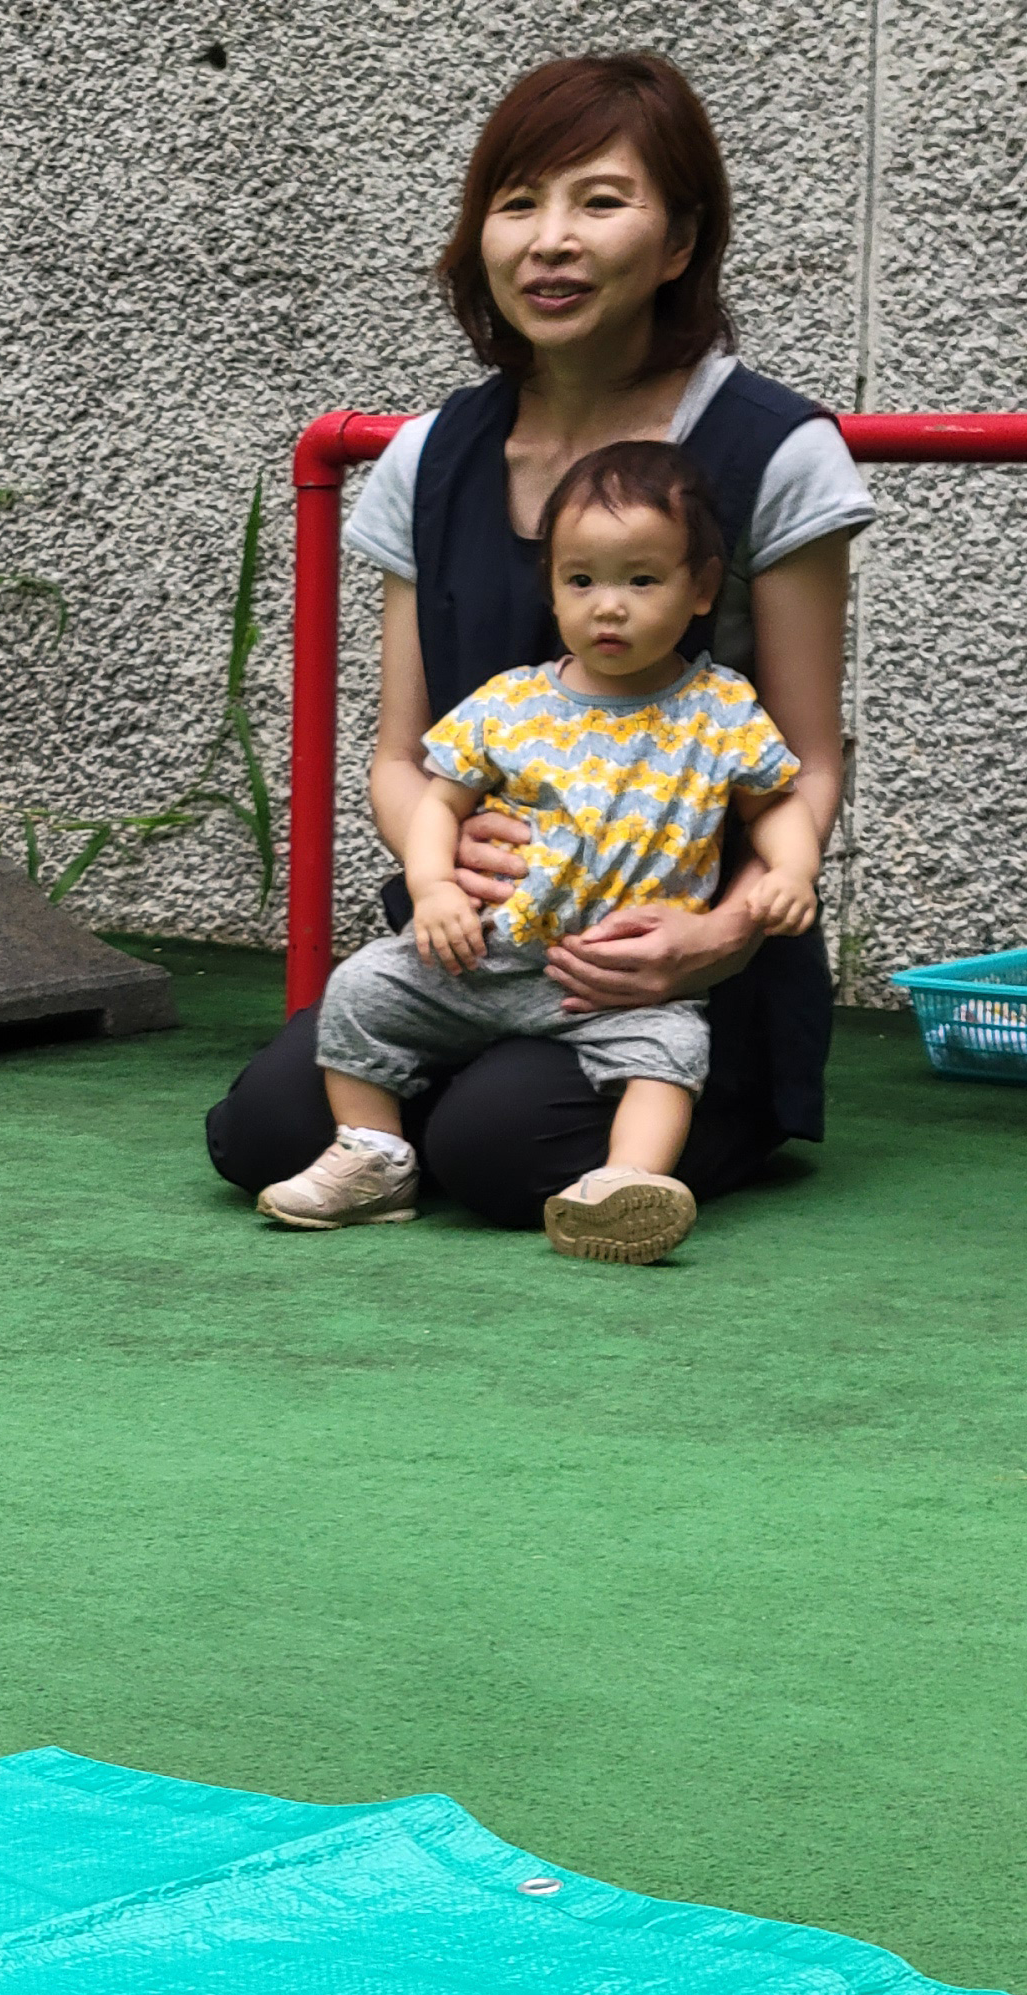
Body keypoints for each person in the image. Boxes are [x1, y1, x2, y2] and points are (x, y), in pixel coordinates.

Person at [206, 52, 870, 1231]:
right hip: (476, 950)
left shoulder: (777, 450)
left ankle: (662, 1126)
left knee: (494, 1144)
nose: (550, 241)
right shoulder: (428, 457)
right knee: (260, 1130)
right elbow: (400, 756)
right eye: (517, 204)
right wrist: (439, 861)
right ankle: (417, 1121)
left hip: (673, 971)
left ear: (679, 242)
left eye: (600, 202)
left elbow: (808, 761)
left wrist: (718, 934)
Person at [256, 443, 813, 1264]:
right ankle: (373, 1156)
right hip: (484, 955)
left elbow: (776, 805)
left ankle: (625, 1184)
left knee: (669, 1054)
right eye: (581, 580)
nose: (608, 607)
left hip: (615, 981)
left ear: (701, 589)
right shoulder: (512, 702)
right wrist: (433, 886)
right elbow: (439, 803)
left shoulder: (721, 709)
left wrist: (792, 871)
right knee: (364, 989)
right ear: (550, 587)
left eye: (642, 580)